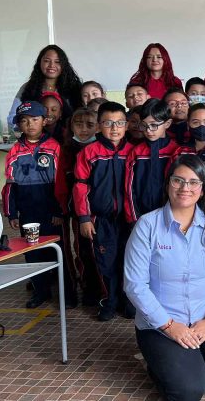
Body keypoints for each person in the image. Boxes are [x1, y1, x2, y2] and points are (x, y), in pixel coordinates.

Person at [124, 154, 205, 401]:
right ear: (168, 184)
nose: (185, 188)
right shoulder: (147, 226)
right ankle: (158, 363)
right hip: (161, 324)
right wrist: (169, 326)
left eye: (193, 182)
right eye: (178, 180)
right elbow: (134, 285)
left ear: (202, 189)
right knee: (188, 391)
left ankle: (194, 360)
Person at [2, 101, 69, 308]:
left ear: (44, 121)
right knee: (32, 253)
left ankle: (65, 292)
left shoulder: (54, 147)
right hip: (28, 213)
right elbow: (10, 185)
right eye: (24, 120)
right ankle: (41, 291)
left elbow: (61, 184)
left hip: (51, 212)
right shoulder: (15, 151)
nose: (30, 124)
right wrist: (12, 213)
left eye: (35, 119)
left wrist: (59, 211)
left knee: (56, 251)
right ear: (19, 124)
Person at [74, 101, 135, 321]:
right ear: (99, 126)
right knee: (105, 262)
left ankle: (128, 300)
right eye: (108, 123)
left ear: (126, 125)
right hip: (101, 219)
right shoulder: (89, 152)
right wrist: (84, 218)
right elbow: (80, 187)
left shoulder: (133, 151)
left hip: (129, 220)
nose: (114, 128)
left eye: (119, 123)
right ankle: (109, 300)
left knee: (129, 260)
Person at [62, 107, 103, 307]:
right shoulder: (67, 150)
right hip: (79, 213)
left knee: (102, 251)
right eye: (79, 125)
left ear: (98, 127)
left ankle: (105, 289)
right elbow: (63, 183)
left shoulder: (102, 148)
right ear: (71, 126)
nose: (84, 129)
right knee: (83, 250)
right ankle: (89, 288)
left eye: (89, 125)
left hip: (101, 211)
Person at [124, 99, 178, 224]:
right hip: (141, 217)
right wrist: (133, 219)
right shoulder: (136, 152)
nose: (148, 130)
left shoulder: (176, 151)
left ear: (167, 123)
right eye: (144, 125)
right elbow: (129, 189)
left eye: (154, 125)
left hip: (172, 217)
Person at [8, 45, 82, 130]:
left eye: (57, 61)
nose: (51, 65)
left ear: (64, 64)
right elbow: (12, 119)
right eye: (47, 61)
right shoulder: (27, 87)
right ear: (39, 62)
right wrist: (29, 129)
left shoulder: (74, 88)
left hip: (68, 137)